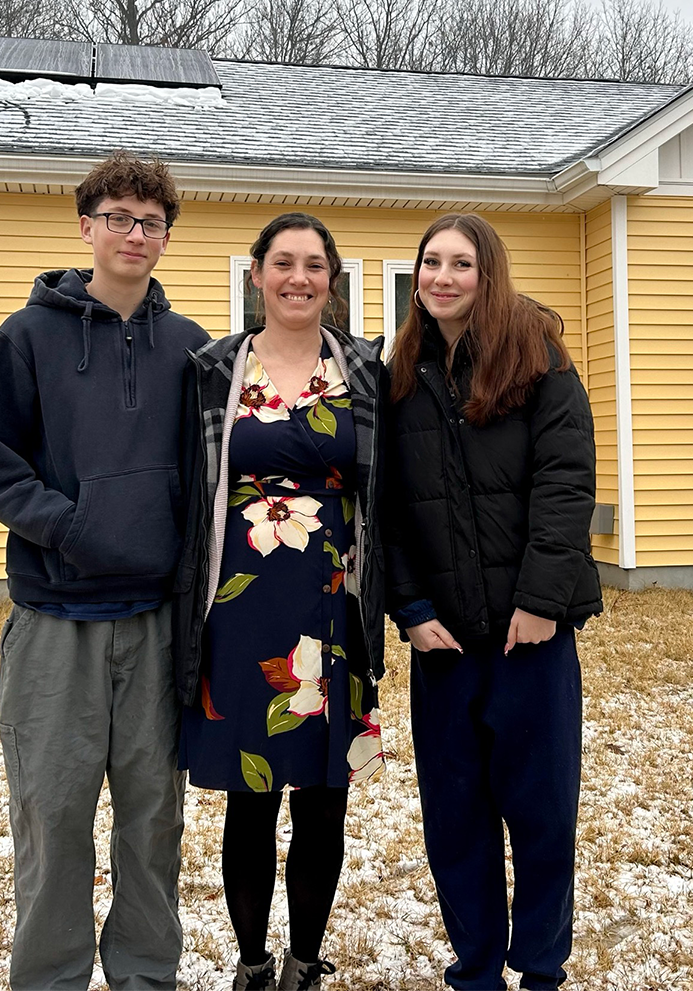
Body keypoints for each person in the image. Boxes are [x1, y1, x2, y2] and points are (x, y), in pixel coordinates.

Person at [0, 153, 209, 991]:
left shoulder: (189, 349)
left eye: (150, 222)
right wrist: (75, 529)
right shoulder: (26, 337)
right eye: (117, 217)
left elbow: (210, 478)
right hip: (55, 625)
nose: (133, 234)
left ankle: (146, 974)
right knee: (54, 818)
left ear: (166, 237)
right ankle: (50, 977)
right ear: (86, 225)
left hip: (153, 625)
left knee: (152, 822)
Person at [385, 213, 602, 991]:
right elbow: (391, 508)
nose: (442, 277)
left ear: (488, 274)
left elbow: (567, 483)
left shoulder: (536, 360)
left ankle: (541, 968)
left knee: (542, 816)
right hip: (444, 640)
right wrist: (408, 607)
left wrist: (543, 601)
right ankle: (475, 970)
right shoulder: (400, 373)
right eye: (431, 262)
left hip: (529, 638)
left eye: (461, 264)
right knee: (456, 819)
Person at [172, 212, 386, 991]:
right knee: (251, 792)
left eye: (315, 265)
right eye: (284, 262)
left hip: (335, 604)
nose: (300, 278)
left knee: (325, 794)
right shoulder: (214, 369)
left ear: (332, 280)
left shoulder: (363, 368)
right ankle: (255, 962)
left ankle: (304, 961)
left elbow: (385, 490)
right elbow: (189, 490)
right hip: (240, 603)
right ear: (257, 273)